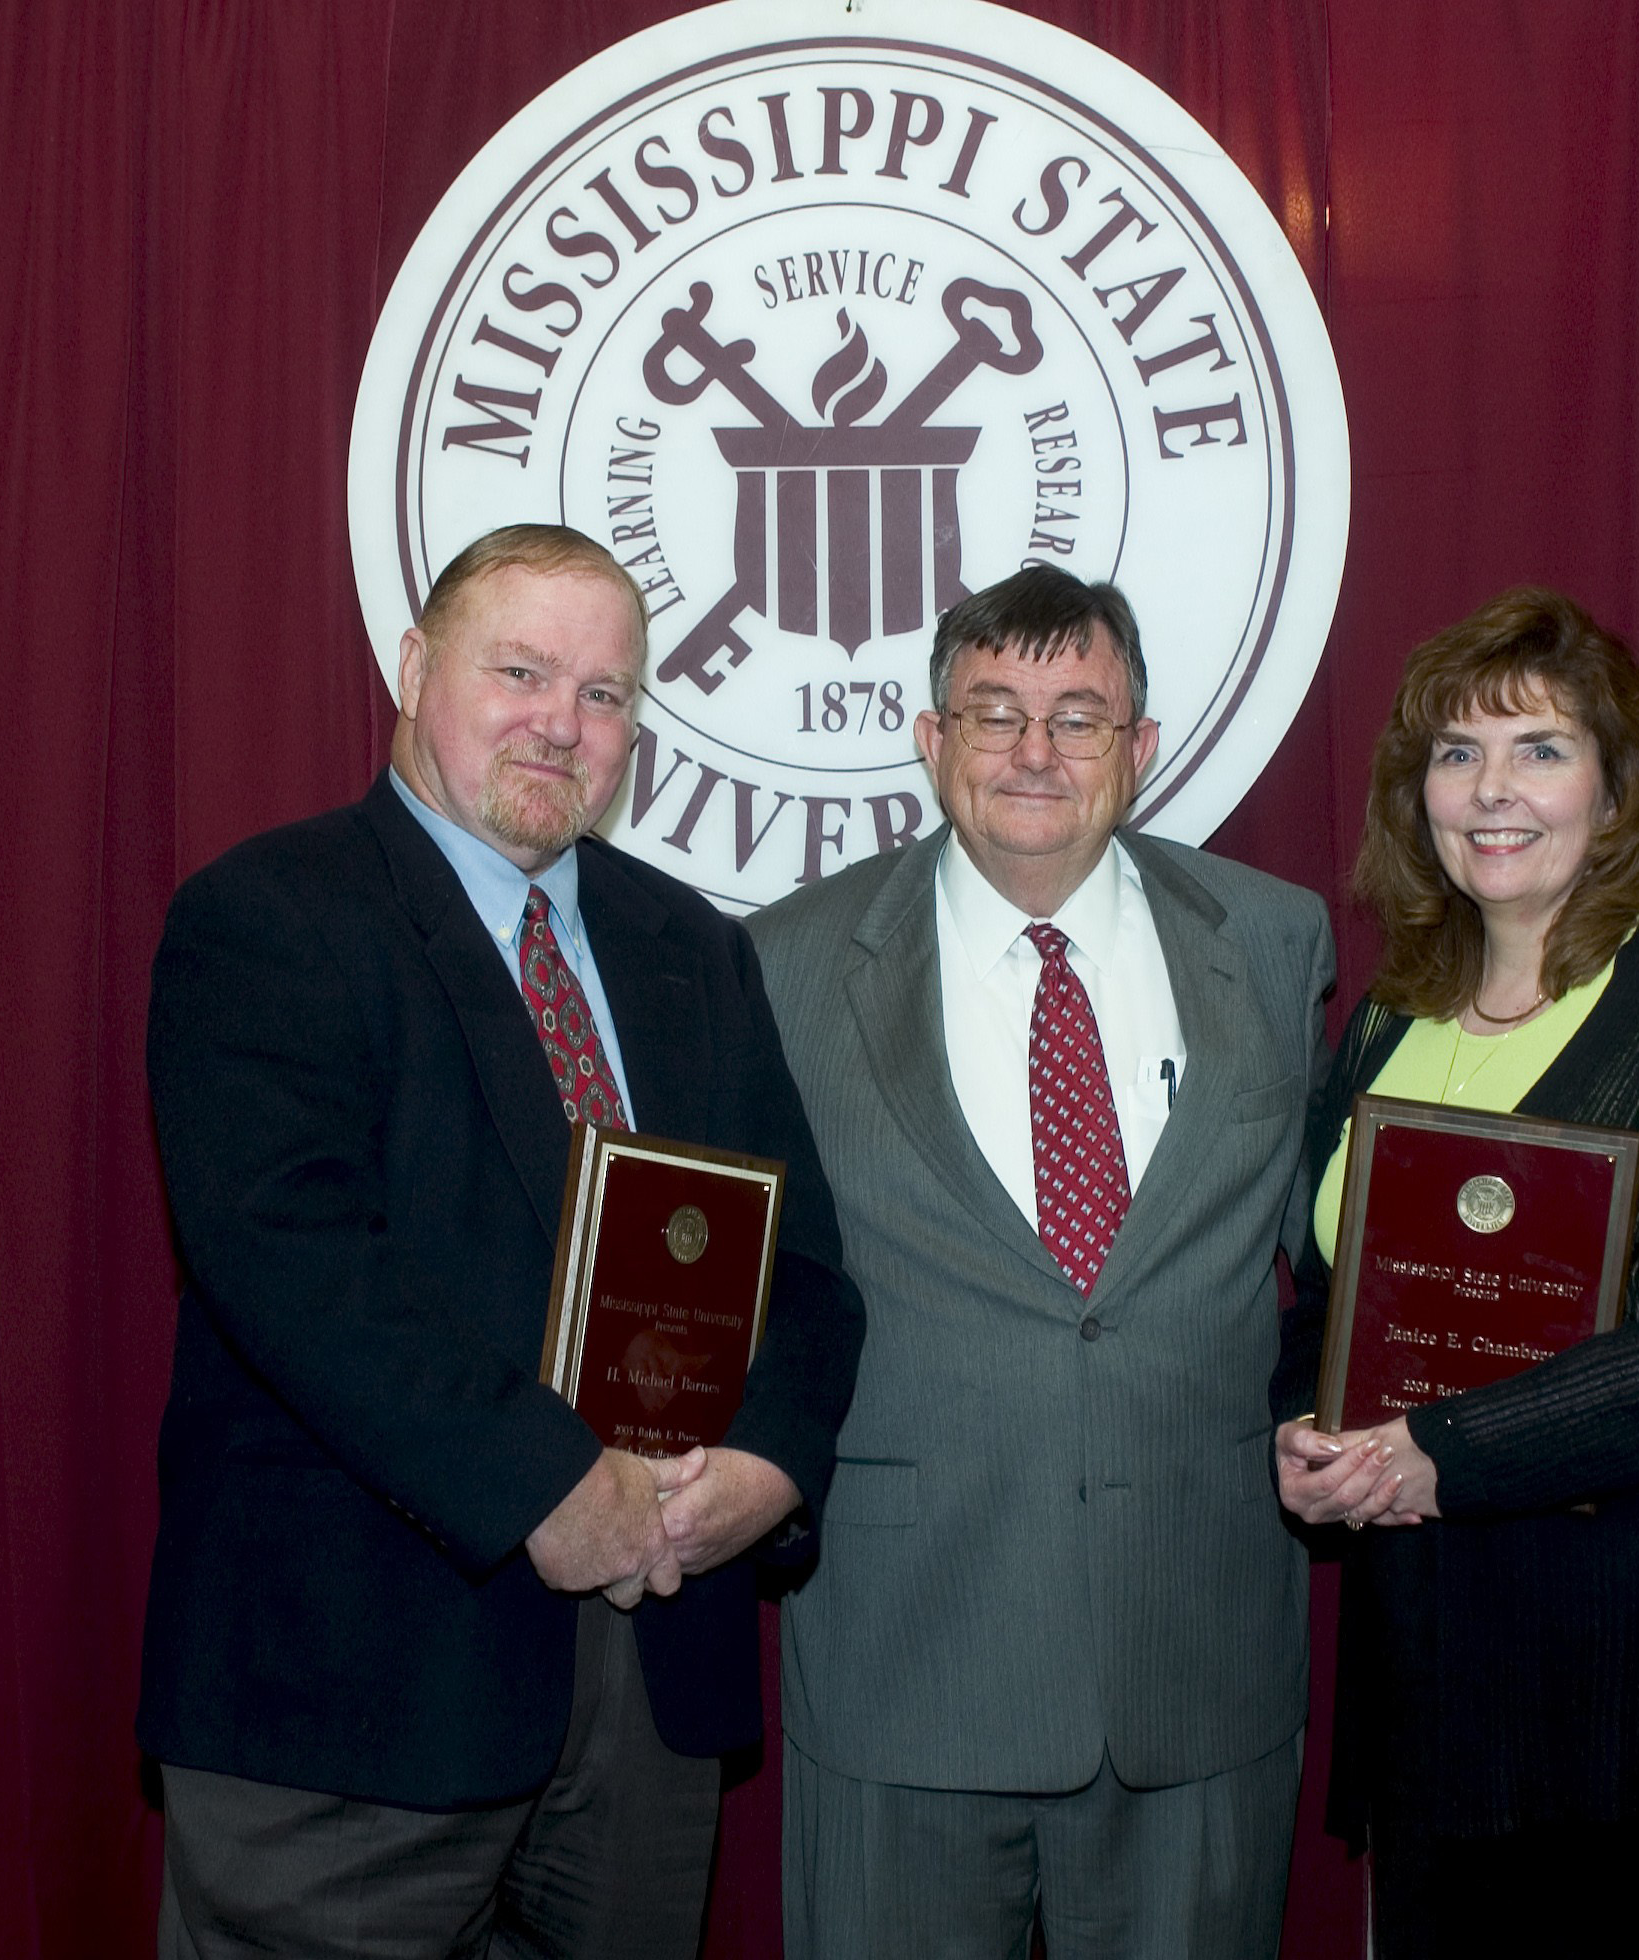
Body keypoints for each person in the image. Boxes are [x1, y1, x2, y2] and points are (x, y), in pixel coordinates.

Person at [139, 523, 862, 1959]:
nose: (563, 722)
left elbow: (806, 1271)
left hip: (651, 1686)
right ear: (415, 670)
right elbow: (298, 1266)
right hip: (354, 1695)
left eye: (604, 695)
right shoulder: (267, 917)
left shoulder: (695, 948)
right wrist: (550, 1485)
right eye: (521, 671)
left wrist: (768, 1470)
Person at [1274, 588, 1639, 1958]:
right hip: (1451, 1667)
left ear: (1615, 794)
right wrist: (1301, 1431)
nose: (1492, 789)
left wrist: (1449, 1444)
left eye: (1540, 749)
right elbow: (1324, 1295)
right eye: (1455, 752)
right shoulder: (1387, 1017)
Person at [746, 564, 1333, 1959]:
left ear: (1141, 749)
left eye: (1080, 716)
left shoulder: (1272, 938)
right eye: (994, 710)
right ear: (928, 735)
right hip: (907, 1659)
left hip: (1196, 1654)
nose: (1033, 751)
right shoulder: (779, 962)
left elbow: (1321, 1254)